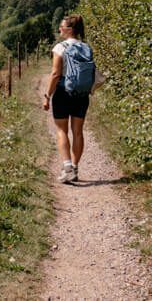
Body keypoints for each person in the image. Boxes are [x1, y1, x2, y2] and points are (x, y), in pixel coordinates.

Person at [42, 14, 92, 183]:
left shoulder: (60, 48)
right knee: (78, 131)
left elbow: (56, 74)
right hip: (82, 94)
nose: (59, 29)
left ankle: (67, 168)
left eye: (62, 27)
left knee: (62, 130)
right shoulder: (85, 47)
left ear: (69, 30)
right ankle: (75, 168)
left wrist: (47, 95)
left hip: (63, 92)